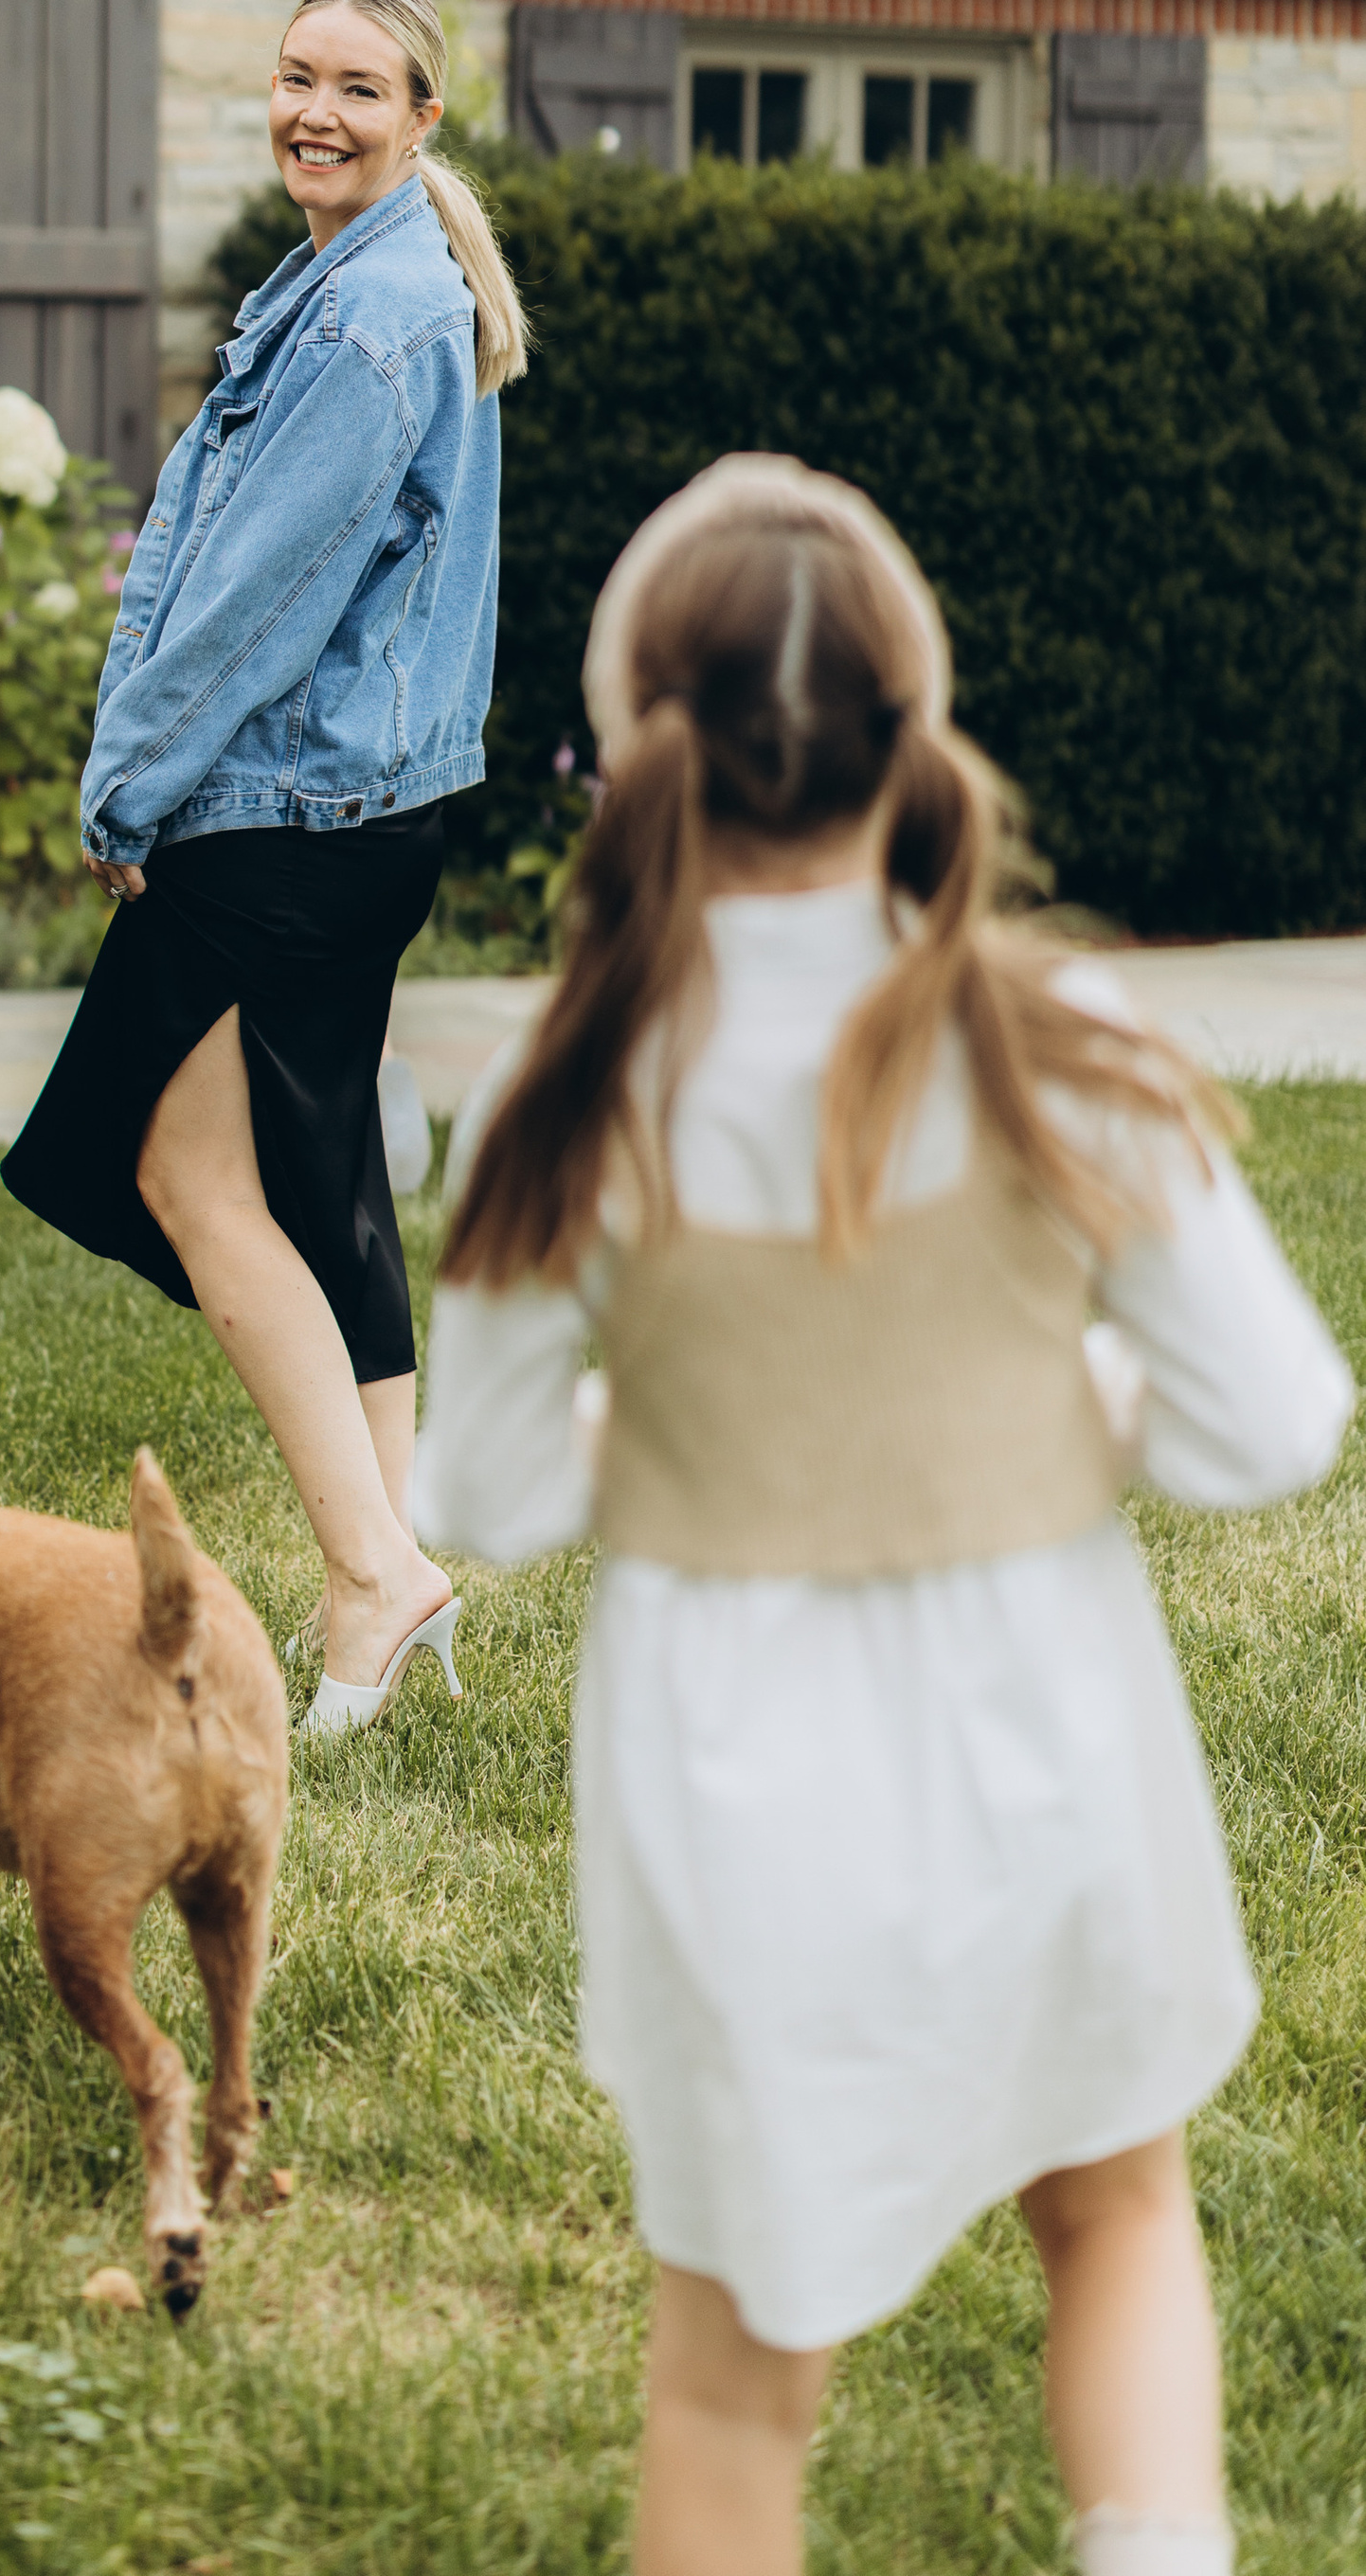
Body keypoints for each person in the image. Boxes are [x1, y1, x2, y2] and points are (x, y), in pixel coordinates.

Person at [412, 455, 1352, 2576]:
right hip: (1042, 1730)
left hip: (725, 1791)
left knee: (732, 2380)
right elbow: (1265, 1426)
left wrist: (698, 1446)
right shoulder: (1061, 1042)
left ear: (629, 730)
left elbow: (472, 1491)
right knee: (1111, 2212)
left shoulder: (564, 1085)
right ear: (908, 724)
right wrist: (1062, 1411)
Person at [2, 0, 529, 1734]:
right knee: (314, 1176)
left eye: (360, 89)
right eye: (299, 76)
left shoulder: (373, 320)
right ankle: (387, 1555)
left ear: (421, 117)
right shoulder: (363, 280)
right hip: (359, 812)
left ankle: (376, 1573)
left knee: (185, 1178)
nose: (317, 110)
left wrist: (125, 782)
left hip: (283, 814)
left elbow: (253, 604)